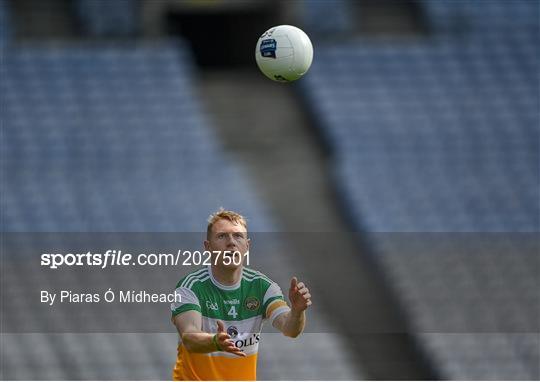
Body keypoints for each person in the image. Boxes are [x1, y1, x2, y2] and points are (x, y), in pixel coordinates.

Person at [171, 208, 312, 380]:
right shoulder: (190, 287)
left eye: (238, 236)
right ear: (208, 247)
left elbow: (290, 330)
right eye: (222, 236)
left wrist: (297, 311)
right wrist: (215, 342)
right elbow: (189, 336)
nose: (231, 242)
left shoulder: (262, 287)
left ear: (247, 246)